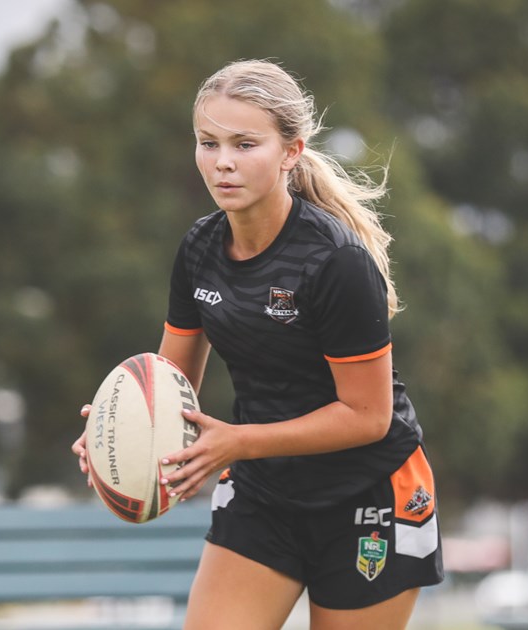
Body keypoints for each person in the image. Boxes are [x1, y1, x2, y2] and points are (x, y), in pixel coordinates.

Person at [71, 59, 443, 629]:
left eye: (245, 144)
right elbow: (171, 388)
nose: (222, 162)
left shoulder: (336, 262)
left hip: (371, 493)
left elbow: (368, 417)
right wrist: (120, 429)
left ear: (290, 151)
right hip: (265, 494)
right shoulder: (199, 249)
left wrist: (238, 442)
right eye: (207, 142)